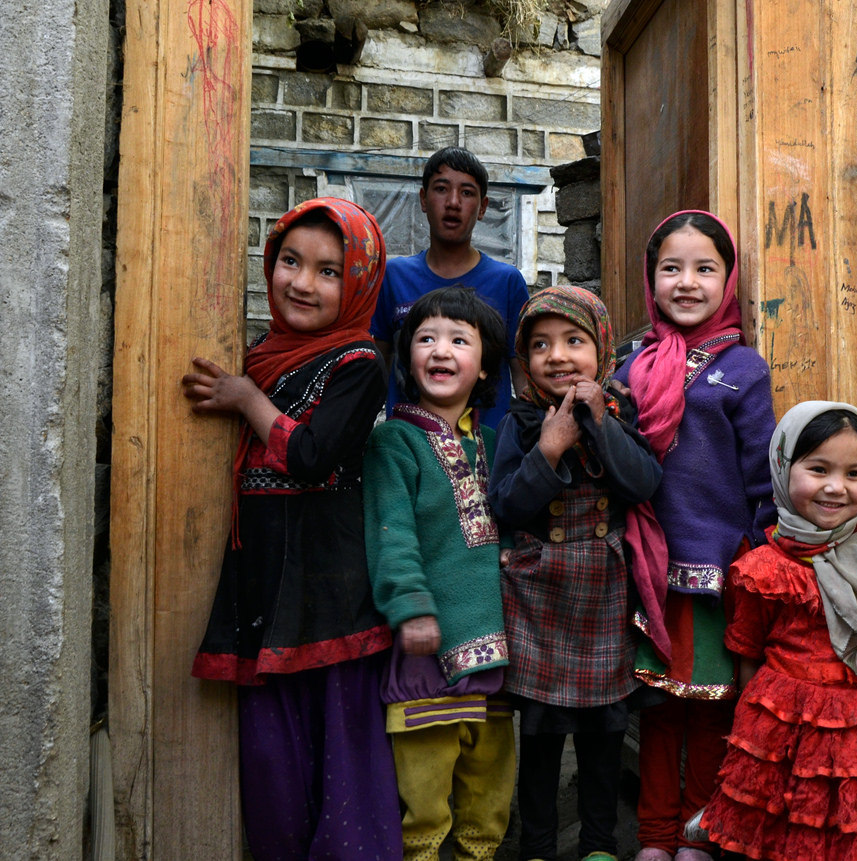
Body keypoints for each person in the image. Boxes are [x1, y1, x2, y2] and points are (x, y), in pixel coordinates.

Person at [183, 197, 402, 860]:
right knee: (273, 762)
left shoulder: (359, 363)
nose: (302, 282)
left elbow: (312, 457)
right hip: (266, 590)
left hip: (331, 592)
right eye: (290, 262)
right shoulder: (263, 353)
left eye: (330, 271)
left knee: (342, 754)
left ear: (359, 282)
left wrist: (248, 400)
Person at [615, 211, 777, 861]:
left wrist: (764, 562)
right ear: (650, 280)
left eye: (705, 268)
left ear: (728, 278)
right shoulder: (632, 369)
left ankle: (697, 834)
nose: (687, 282)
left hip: (717, 573)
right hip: (648, 568)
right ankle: (653, 836)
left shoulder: (743, 370)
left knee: (711, 710)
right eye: (671, 268)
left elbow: (763, 478)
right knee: (655, 711)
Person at [700, 401, 857, 860]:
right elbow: (748, 652)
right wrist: (756, 736)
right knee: (783, 836)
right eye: (818, 468)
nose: (835, 488)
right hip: (783, 735)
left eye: (853, 473)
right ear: (784, 469)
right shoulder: (765, 570)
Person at [489, 285, 663, 861]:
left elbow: (643, 484)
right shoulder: (518, 421)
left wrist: (599, 425)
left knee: (605, 734)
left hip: (604, 592)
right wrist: (549, 449)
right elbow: (508, 507)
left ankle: (598, 847)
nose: (557, 356)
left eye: (574, 341)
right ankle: (537, 847)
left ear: (602, 350)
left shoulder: (619, 411)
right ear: (525, 359)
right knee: (539, 733)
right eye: (540, 345)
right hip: (538, 595)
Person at [363, 286, 515, 861]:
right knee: (423, 799)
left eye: (458, 339)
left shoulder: (497, 444)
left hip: (496, 652)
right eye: (425, 339)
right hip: (429, 649)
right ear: (405, 361)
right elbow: (392, 535)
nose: (440, 350)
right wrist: (411, 607)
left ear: (484, 368)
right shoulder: (393, 442)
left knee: (489, 791)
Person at [370, 146, 530, 428]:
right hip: (409, 451)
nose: (453, 202)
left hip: (487, 454)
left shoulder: (507, 281)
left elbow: (523, 373)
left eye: (467, 193)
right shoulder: (394, 276)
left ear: (482, 208)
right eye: (441, 189)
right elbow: (376, 368)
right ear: (423, 199)